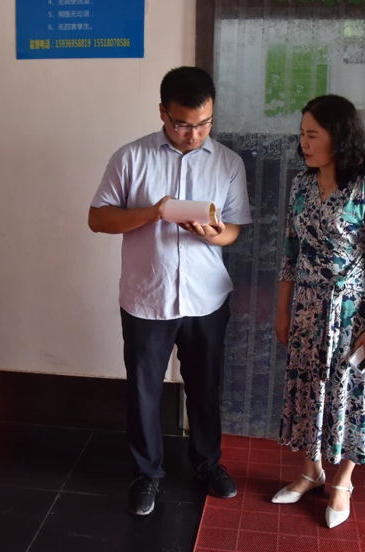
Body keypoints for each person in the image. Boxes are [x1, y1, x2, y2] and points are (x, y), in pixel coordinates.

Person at [88, 66, 252, 516]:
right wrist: (153, 212)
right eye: (182, 124)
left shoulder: (228, 163)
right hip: (147, 297)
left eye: (204, 123)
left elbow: (234, 229)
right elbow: (98, 218)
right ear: (163, 112)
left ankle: (207, 464)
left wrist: (213, 233)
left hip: (206, 298)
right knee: (143, 392)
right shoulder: (131, 158)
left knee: (205, 388)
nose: (193, 134)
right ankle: (146, 473)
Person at [271, 95, 365, 529]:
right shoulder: (301, 185)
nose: (304, 144)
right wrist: (283, 312)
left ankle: (343, 481)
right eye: (302, 134)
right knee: (309, 388)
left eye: (313, 135)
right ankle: (311, 472)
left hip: (352, 314)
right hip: (307, 308)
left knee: (351, 394)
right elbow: (290, 253)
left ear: (338, 137)